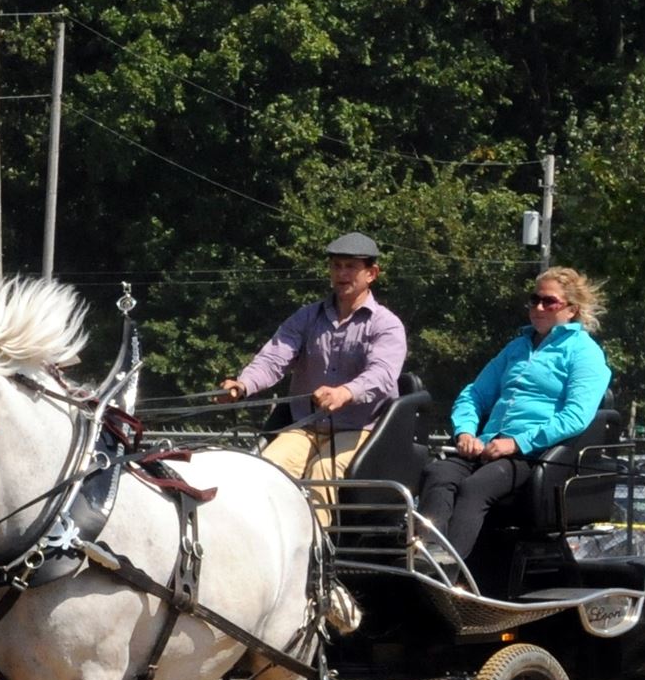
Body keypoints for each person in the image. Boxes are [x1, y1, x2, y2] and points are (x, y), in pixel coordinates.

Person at [419, 266, 612, 564]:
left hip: (533, 455)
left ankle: (447, 573)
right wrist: (466, 431)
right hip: (487, 445)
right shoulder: (516, 347)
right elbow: (474, 394)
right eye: (534, 299)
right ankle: (427, 557)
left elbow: (575, 416)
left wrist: (516, 443)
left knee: (475, 487)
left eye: (549, 302)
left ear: (571, 309)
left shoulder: (584, 352)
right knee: (438, 472)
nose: (538, 307)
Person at [219, 231, 407, 486]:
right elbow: (274, 357)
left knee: (322, 473)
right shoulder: (306, 317)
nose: (341, 274)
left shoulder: (386, 325)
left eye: (350, 267)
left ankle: (320, 528)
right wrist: (243, 385)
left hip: (362, 431)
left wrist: (345, 392)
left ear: (371, 274)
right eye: (336, 266)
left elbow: (382, 375)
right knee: (264, 471)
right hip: (306, 428)